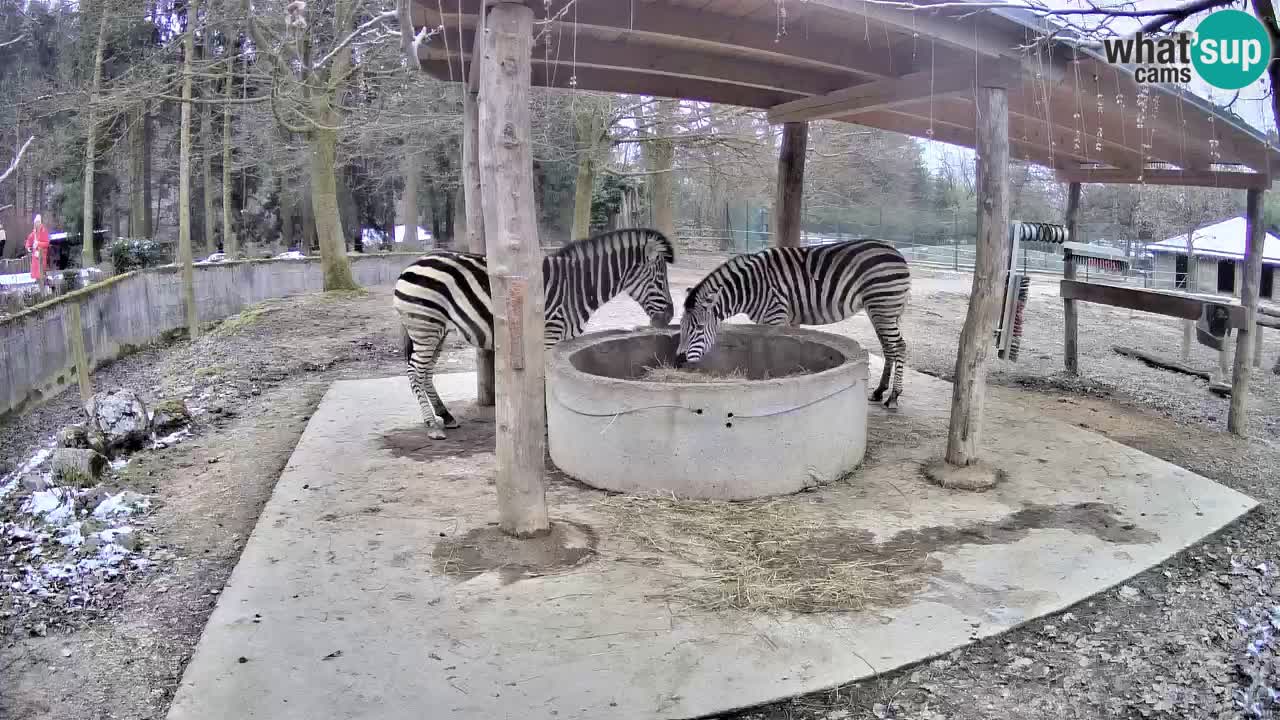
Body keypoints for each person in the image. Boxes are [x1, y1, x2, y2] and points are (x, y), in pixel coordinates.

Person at [25, 214, 50, 283]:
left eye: (38, 222)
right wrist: (28, 247)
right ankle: (38, 281)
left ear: (40, 222)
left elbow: (47, 243)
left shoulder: (44, 231)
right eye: (36, 222)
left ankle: (44, 282)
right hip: (35, 256)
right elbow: (28, 241)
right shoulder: (33, 233)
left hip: (42, 255)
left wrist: (38, 243)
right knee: (36, 271)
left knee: (41, 271)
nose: (37, 224)